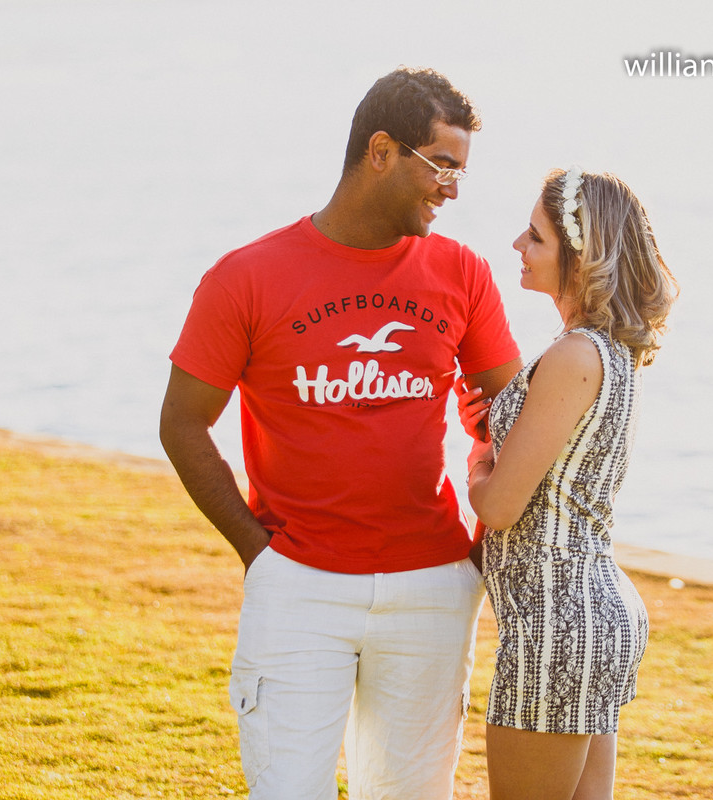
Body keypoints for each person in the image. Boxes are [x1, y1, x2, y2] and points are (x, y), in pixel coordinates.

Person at [158, 66, 522, 800]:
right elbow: (183, 424)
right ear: (381, 150)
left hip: (432, 585)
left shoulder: (462, 271)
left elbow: (508, 413)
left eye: (462, 170)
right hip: (299, 587)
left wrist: (478, 551)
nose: (454, 187)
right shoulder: (247, 276)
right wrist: (258, 554)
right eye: (442, 165)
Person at [458, 167, 679, 799]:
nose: (517, 247)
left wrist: (478, 455)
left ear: (580, 260)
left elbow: (499, 507)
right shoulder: (608, 353)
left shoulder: (575, 355)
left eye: (535, 238)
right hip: (588, 614)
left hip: (557, 622)